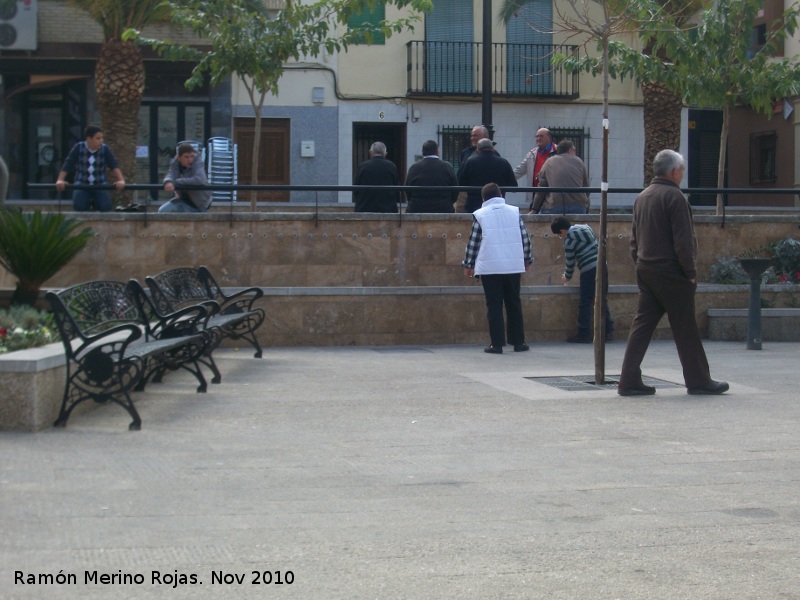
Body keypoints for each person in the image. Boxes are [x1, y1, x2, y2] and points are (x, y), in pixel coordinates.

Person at [618, 149, 729, 397]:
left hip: (646, 269)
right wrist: (690, 272)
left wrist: (639, 263)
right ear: (674, 171)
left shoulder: (643, 197)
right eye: (682, 170)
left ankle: (628, 379)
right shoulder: (675, 197)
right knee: (686, 327)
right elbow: (684, 241)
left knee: (642, 326)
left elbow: (634, 239)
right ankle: (699, 380)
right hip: (670, 271)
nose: (682, 175)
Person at [462, 182, 533, 354]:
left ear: (483, 198)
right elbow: (524, 237)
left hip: (490, 266)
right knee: (513, 302)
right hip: (513, 265)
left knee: (494, 305)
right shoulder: (515, 212)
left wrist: (468, 264)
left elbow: (474, 241)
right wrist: (527, 259)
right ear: (500, 195)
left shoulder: (480, 214)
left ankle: (497, 344)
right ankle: (518, 342)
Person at [551, 216, 614, 343]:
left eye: (559, 235)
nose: (561, 237)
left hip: (589, 270)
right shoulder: (585, 227)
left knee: (585, 301)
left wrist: (566, 277)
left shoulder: (569, 241)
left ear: (562, 231)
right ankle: (608, 331)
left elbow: (570, 262)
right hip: (602, 266)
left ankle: (584, 333)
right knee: (602, 299)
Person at [56, 125, 125, 211]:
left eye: (102, 138)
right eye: (98, 138)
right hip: (82, 183)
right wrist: (60, 180)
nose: (101, 141)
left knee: (105, 207)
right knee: (79, 207)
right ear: (89, 139)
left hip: (100, 184)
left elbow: (113, 165)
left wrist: (121, 180)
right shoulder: (79, 147)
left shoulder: (105, 149)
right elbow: (68, 163)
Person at [457, 139, 517, 213]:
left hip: (474, 206)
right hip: (497, 207)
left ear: (478, 150)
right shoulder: (504, 163)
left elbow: (460, 183)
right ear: (493, 149)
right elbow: (513, 186)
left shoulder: (470, 163)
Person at [531, 139, 590, 214]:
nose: (575, 153)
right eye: (574, 150)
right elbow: (586, 186)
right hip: (578, 206)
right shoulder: (579, 161)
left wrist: (534, 209)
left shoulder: (549, 162)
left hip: (555, 205)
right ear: (570, 150)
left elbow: (541, 189)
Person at [405, 140, 458, 213]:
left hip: (417, 208)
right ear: (437, 151)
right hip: (443, 208)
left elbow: (407, 190)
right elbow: (455, 190)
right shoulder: (447, 167)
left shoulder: (413, 168)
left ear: (423, 152)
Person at [159, 143, 212, 213]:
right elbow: (171, 174)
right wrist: (168, 182)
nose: (190, 160)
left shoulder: (197, 162)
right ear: (179, 158)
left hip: (201, 201)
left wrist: (177, 182)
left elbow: (200, 179)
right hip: (184, 199)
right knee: (162, 211)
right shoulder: (175, 163)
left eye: (192, 156)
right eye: (186, 157)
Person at [513, 127, 557, 209]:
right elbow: (519, 170)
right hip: (535, 195)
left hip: (551, 195)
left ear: (549, 138)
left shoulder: (558, 151)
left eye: (541, 136)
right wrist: (504, 178)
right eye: (537, 136)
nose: (538, 138)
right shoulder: (532, 154)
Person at [353, 141, 400, 213]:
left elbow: (355, 188)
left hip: (364, 208)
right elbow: (396, 188)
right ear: (385, 154)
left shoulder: (362, 166)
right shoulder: (392, 166)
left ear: (371, 153)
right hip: (388, 209)